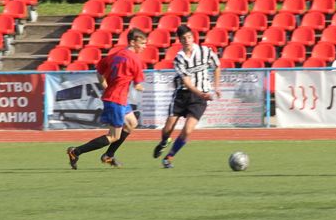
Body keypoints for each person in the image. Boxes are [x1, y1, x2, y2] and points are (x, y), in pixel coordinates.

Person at [67, 28, 147, 169]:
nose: (144, 46)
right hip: (117, 100)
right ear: (132, 42)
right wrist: (142, 88)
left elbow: (99, 72)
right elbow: (138, 85)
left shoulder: (115, 55)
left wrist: (107, 87)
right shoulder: (135, 59)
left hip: (118, 98)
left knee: (132, 123)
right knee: (113, 136)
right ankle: (76, 151)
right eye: (142, 43)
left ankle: (109, 155)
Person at [153, 25, 221, 168]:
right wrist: (200, 93)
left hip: (199, 99)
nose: (187, 40)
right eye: (184, 38)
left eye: (189, 37)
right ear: (180, 40)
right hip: (182, 95)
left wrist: (216, 87)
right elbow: (186, 81)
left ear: (193, 37)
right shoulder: (179, 58)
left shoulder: (205, 51)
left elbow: (217, 66)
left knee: (188, 130)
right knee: (168, 128)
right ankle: (164, 141)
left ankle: (169, 157)